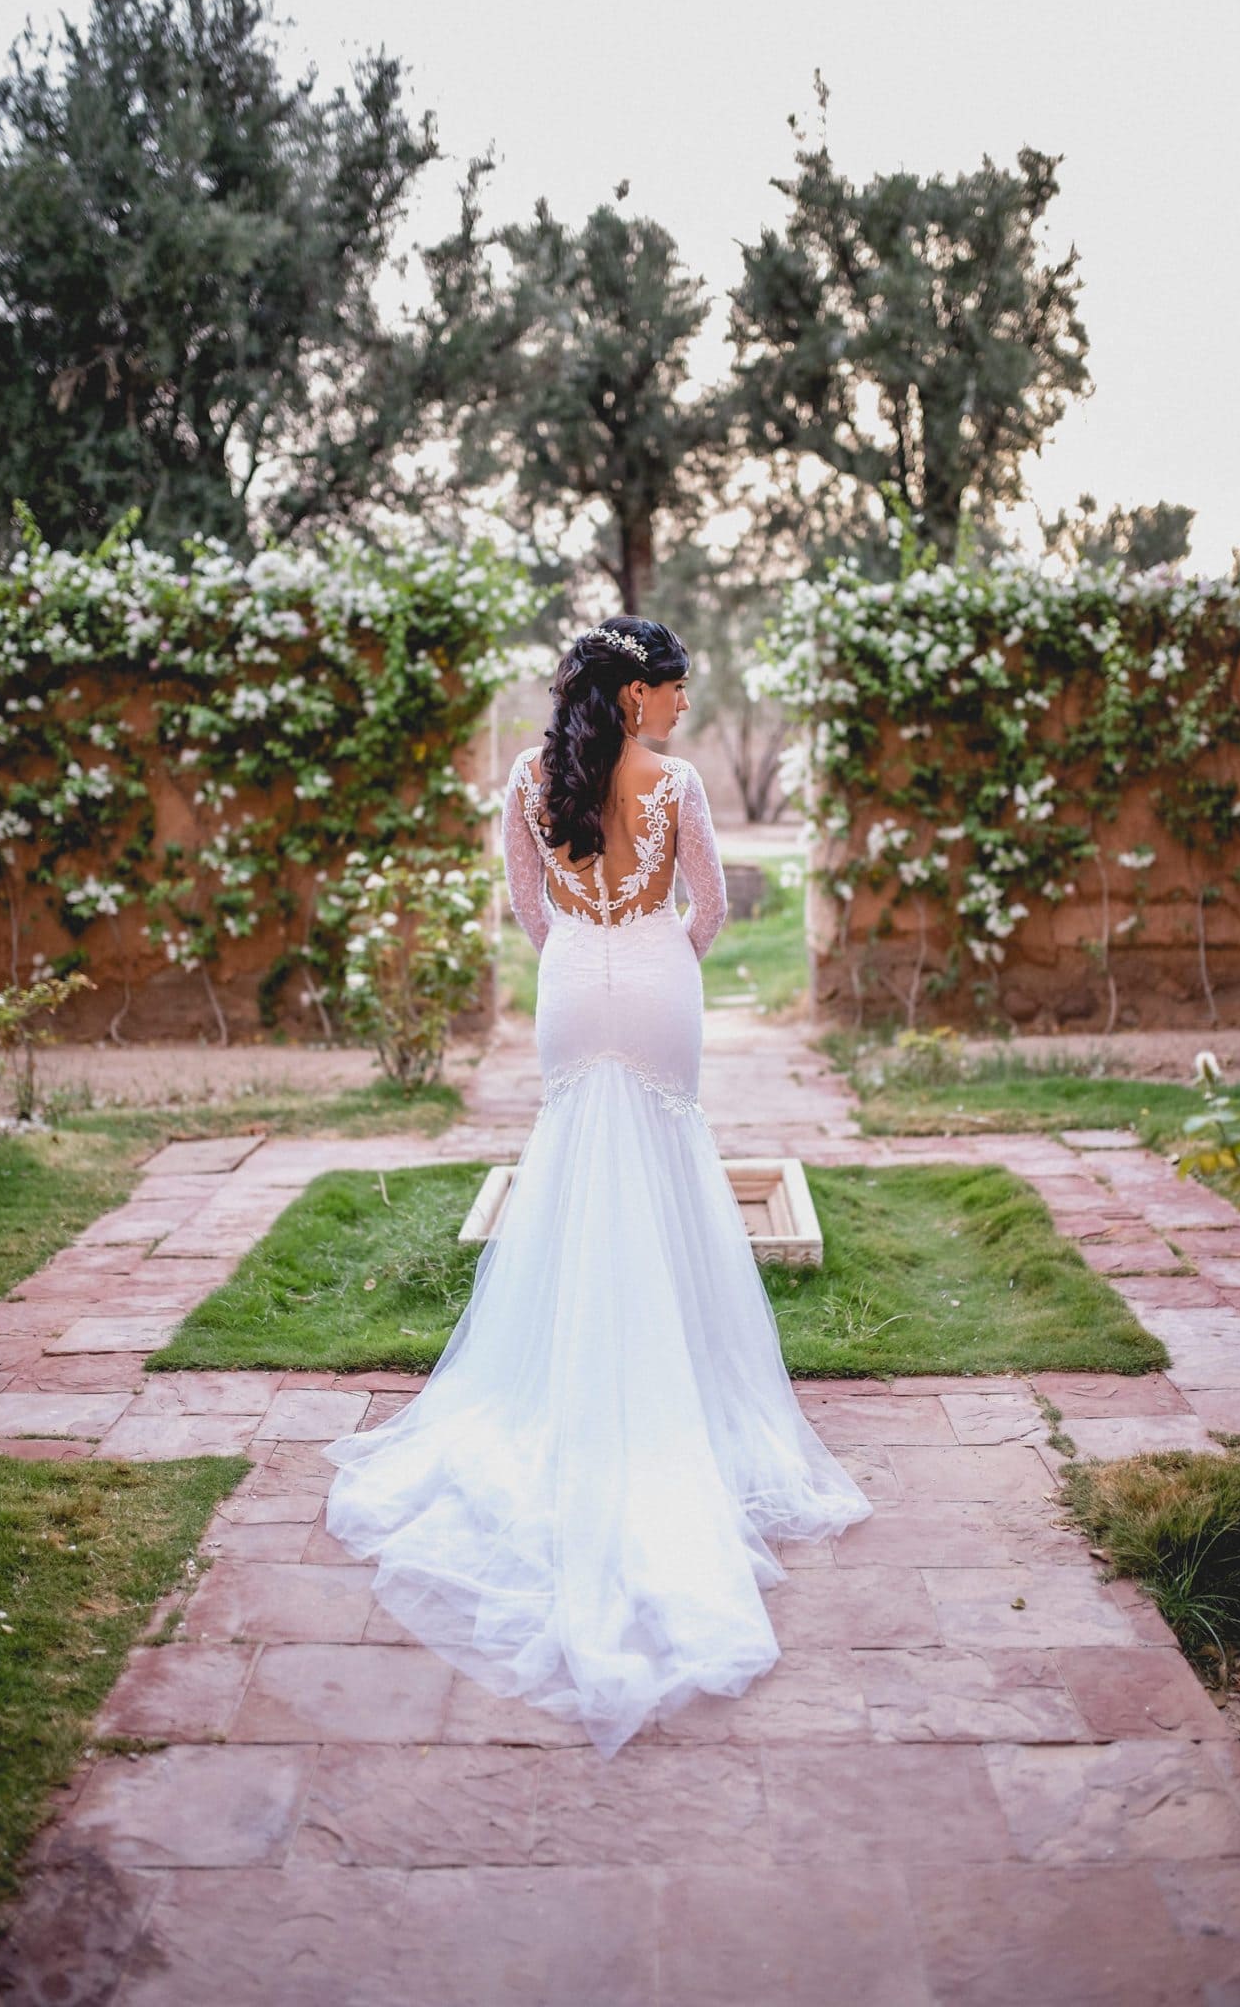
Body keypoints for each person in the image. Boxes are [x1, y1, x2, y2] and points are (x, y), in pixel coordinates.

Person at [322, 616, 872, 1758]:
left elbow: (527, 910)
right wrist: (655, 941)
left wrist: (582, 942)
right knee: (669, 1173)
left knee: (572, 1172)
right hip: (659, 987)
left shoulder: (530, 779)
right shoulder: (675, 788)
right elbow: (710, 914)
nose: (680, 706)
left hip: (572, 983)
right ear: (633, 696)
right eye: (671, 688)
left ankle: (572, 1385)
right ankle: (671, 1389)